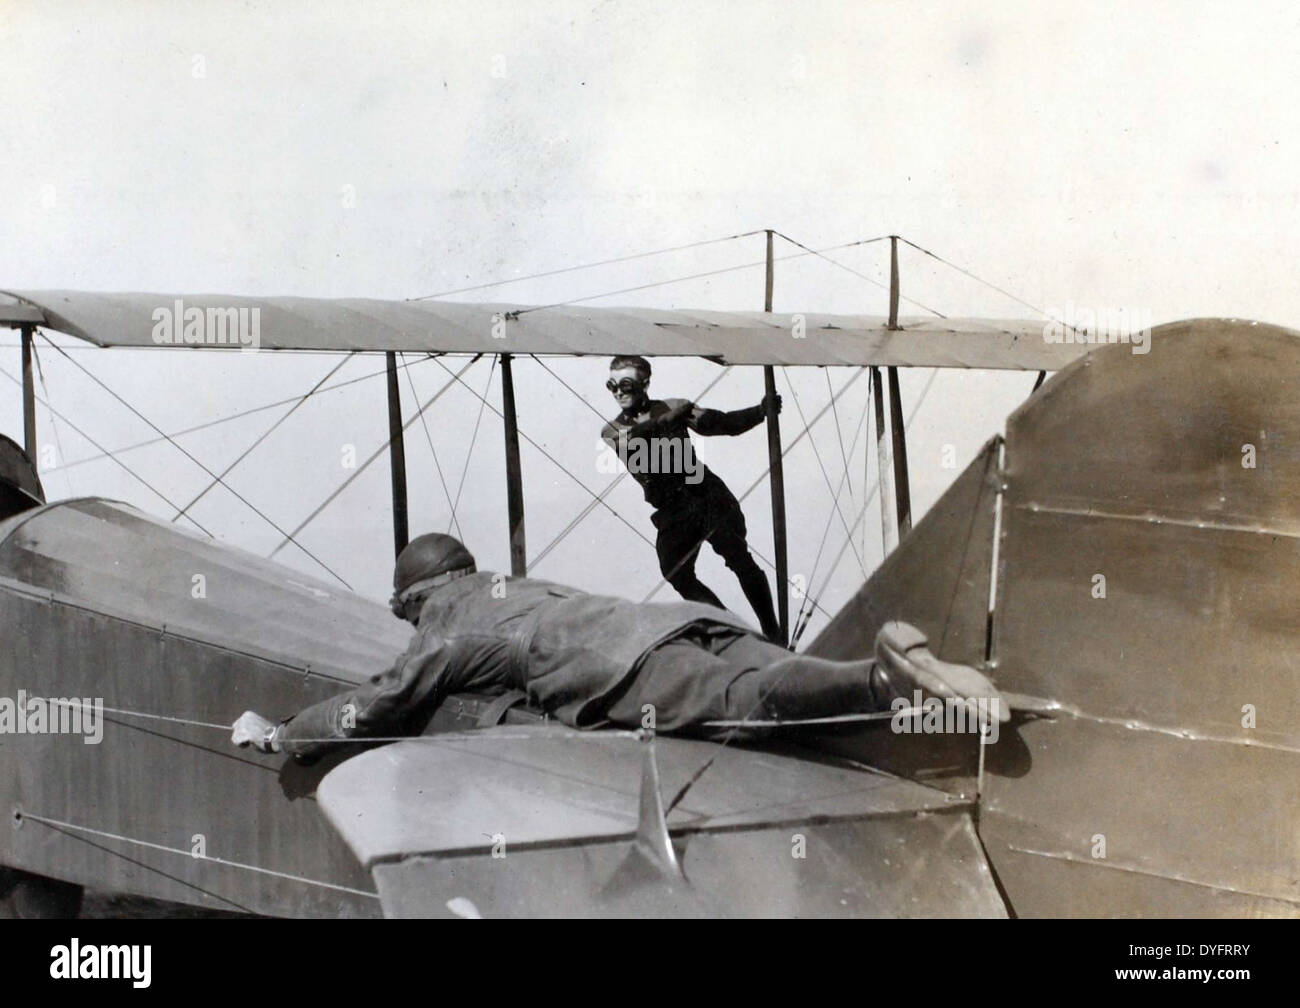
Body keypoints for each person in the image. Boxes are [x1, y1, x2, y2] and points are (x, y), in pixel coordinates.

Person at [232, 532, 1005, 760]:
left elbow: (385, 702)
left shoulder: (447, 622)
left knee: (742, 710)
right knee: (763, 673)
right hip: (676, 621)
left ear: (416, 599)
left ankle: (881, 681)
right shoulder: (516, 587)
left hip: (626, 667)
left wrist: (281, 733)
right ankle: (936, 687)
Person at [600, 355, 782, 641]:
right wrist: (671, 419)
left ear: (645, 383)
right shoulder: (613, 430)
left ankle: (773, 632)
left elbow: (716, 424)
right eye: (612, 386)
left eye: (626, 385)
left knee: (738, 558)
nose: (619, 392)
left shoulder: (673, 405)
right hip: (672, 508)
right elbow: (636, 439)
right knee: (676, 571)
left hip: (703, 494)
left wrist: (760, 412)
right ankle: (736, 633)